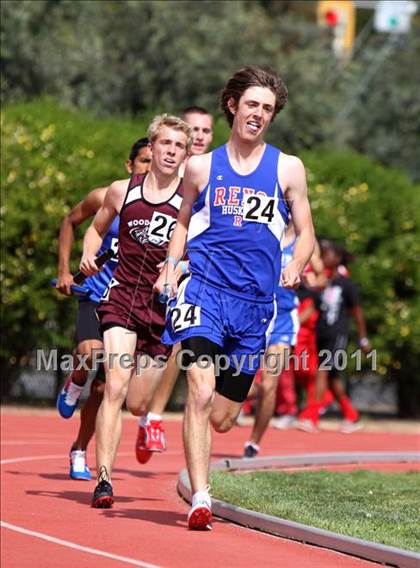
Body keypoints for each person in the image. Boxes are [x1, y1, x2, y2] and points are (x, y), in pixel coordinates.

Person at [154, 66, 315, 530]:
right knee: (199, 392)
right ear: (233, 105)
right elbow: (182, 221)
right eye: (252, 105)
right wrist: (170, 267)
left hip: (255, 307)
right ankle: (200, 496)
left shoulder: (288, 168)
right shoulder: (201, 166)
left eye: (267, 109)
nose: (258, 115)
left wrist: (295, 263)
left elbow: (306, 233)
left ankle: (208, 453)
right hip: (203, 292)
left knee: (223, 417)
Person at [79, 115, 192, 508]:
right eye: (165, 144)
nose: (171, 152)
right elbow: (96, 229)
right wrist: (87, 253)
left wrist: (178, 270)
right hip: (122, 297)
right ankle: (104, 481)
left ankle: (145, 421)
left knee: (138, 403)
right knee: (115, 384)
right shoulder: (121, 191)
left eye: (179, 146)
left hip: (161, 310)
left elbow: (203, 254)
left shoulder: (192, 202)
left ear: (186, 154)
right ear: (152, 146)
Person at [55, 138, 152, 480]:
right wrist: (65, 271)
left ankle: (79, 450)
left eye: (154, 162)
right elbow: (70, 222)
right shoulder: (107, 196)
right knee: (90, 355)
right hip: (96, 293)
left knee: (108, 386)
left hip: (127, 302)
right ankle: (74, 382)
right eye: (143, 161)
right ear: (130, 166)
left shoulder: (167, 206)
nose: (149, 167)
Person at [141, 107, 214, 464]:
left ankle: (153, 417)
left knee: (181, 343)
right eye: (194, 130)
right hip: (146, 271)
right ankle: (145, 412)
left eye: (206, 131)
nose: (199, 136)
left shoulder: (216, 174)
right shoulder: (166, 168)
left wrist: (182, 264)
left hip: (193, 272)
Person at [295, 240, 371, 433]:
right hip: (321, 334)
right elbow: (311, 306)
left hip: (337, 334)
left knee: (323, 371)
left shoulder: (346, 284)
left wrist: (363, 338)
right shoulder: (323, 283)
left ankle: (311, 416)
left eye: (327, 254)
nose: (323, 258)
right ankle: (351, 415)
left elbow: (358, 312)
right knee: (332, 379)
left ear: (337, 259)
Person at [243, 222, 300, 457]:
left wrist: (303, 276)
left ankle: (254, 442)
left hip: (284, 320)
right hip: (257, 314)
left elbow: (318, 275)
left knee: (269, 383)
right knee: (241, 380)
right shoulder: (263, 232)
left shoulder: (304, 241)